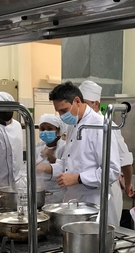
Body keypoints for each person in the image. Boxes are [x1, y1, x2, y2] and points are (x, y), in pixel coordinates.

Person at [37, 82, 121, 216]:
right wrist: (46, 169)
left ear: (77, 101)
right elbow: (68, 162)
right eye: (59, 112)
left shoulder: (99, 125)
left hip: (94, 201)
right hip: (74, 200)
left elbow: (112, 171)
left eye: (64, 110)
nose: (61, 116)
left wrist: (78, 178)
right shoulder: (73, 125)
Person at [79, 80, 135, 226]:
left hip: (105, 191)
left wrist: (128, 184)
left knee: (107, 230)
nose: (81, 108)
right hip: (82, 191)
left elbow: (125, 159)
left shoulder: (108, 126)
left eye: (85, 103)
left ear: (96, 104)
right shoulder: (78, 125)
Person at [36, 114, 67, 204]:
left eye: (49, 129)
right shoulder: (39, 146)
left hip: (58, 195)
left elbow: (67, 169)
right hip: (40, 193)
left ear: (58, 130)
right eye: (42, 129)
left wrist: (51, 158)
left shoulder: (64, 147)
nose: (45, 132)